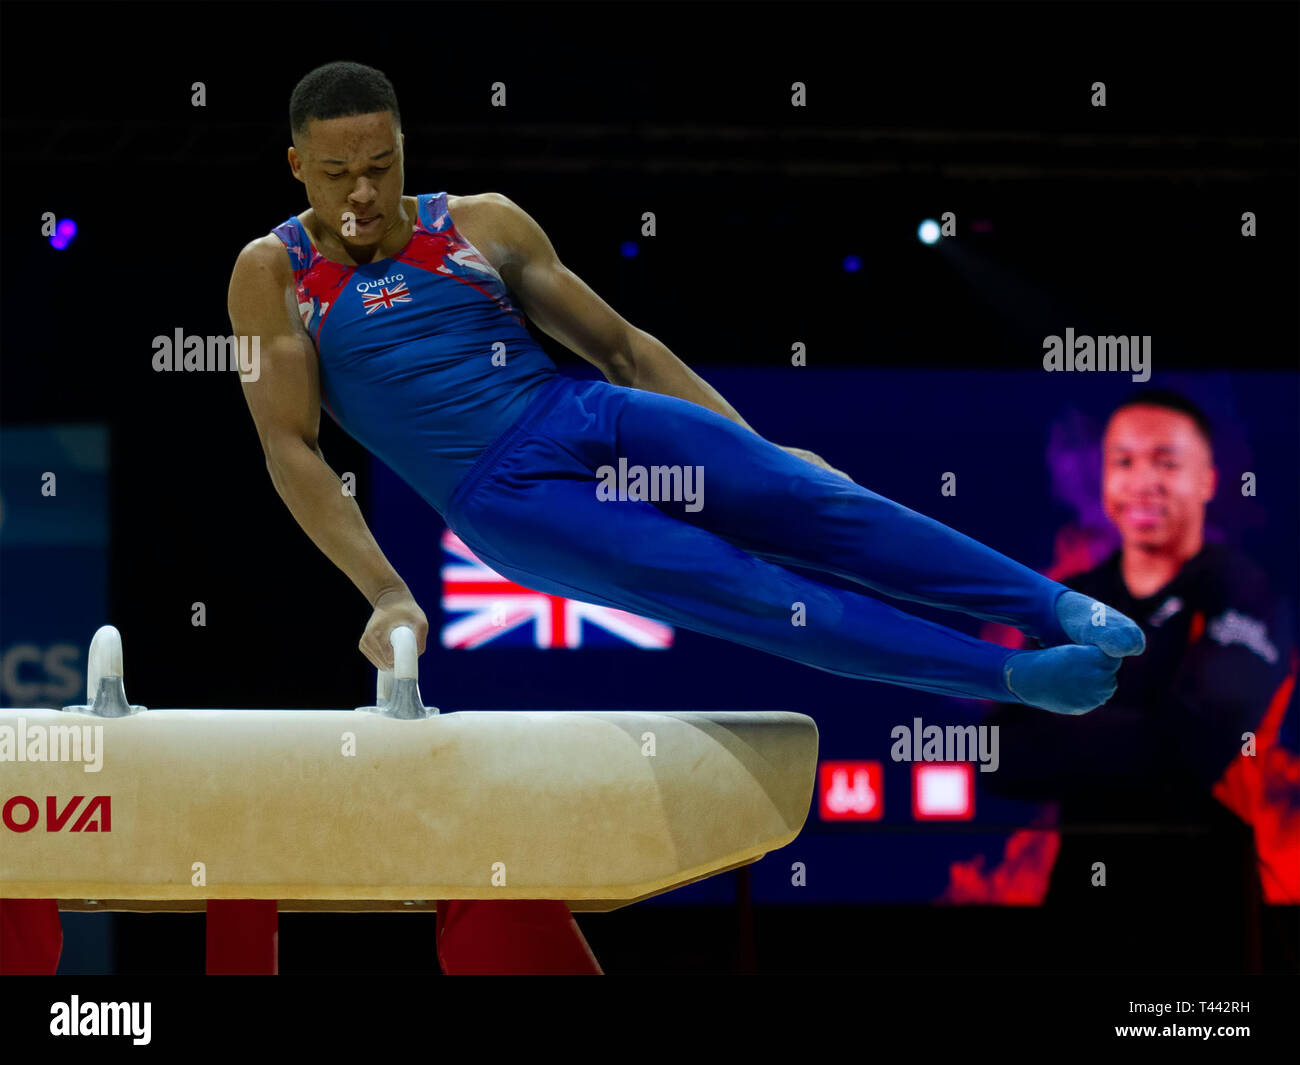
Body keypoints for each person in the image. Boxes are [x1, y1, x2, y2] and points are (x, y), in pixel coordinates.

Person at [983, 390, 1297, 971]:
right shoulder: (1071, 600)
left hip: (1208, 907)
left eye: (1166, 461)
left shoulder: (1242, 592)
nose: (1142, 481)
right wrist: (1147, 724)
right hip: (1081, 897)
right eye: (1123, 462)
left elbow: (1192, 746)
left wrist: (1068, 723)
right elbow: (1000, 752)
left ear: (1207, 480)